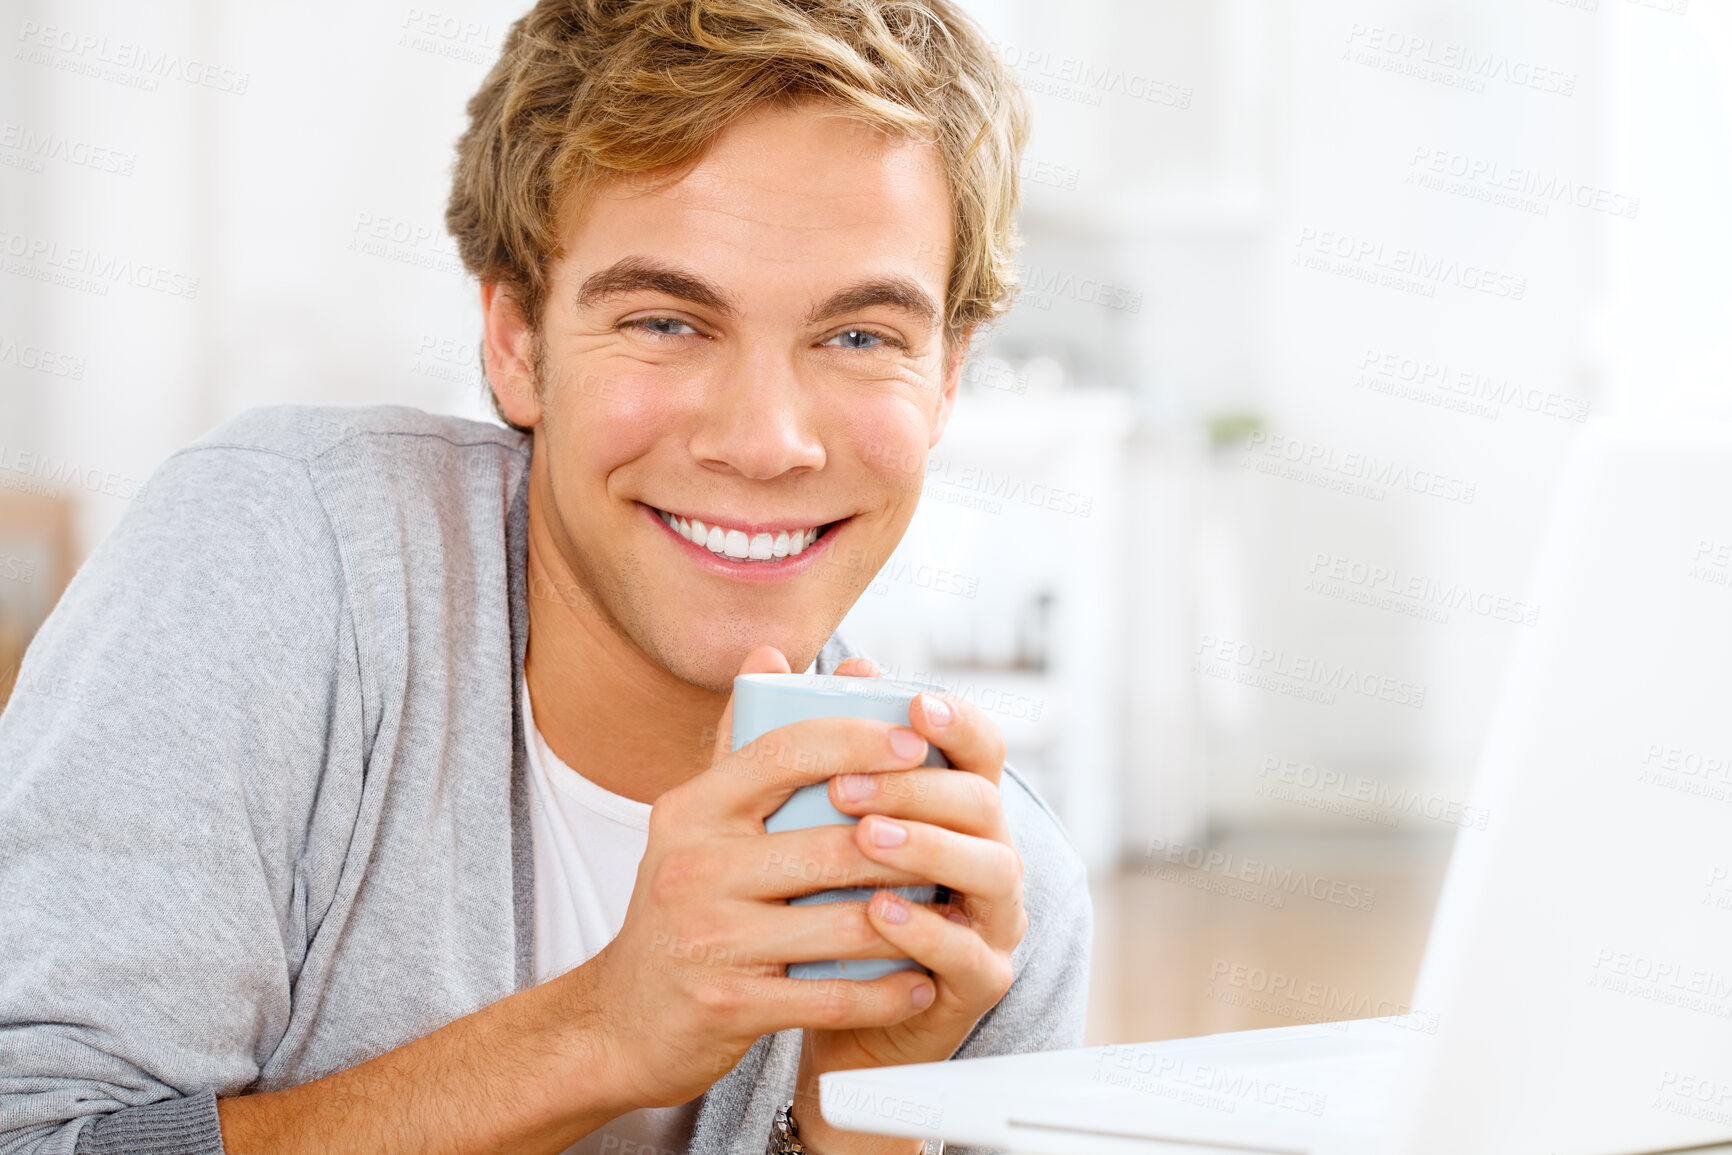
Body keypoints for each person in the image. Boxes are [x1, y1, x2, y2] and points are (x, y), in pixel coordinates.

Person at [0, 1, 1091, 1152]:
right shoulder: (281, 561)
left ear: (948, 376)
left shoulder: (975, 905)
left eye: (860, 337)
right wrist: (602, 1030)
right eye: (668, 321)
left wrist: (856, 1123)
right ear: (517, 343)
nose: (768, 441)